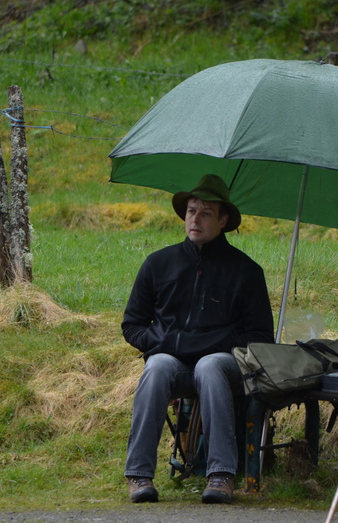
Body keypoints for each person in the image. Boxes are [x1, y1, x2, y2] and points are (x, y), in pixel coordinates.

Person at [121, 173, 274, 504]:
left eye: (206, 213)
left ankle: (221, 475)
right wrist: (157, 341)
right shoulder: (158, 263)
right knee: (157, 366)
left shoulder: (246, 271)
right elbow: (132, 324)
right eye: (191, 211)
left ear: (223, 221)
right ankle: (139, 475)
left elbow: (261, 337)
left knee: (209, 366)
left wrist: (218, 344)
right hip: (173, 361)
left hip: (224, 364)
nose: (195, 219)